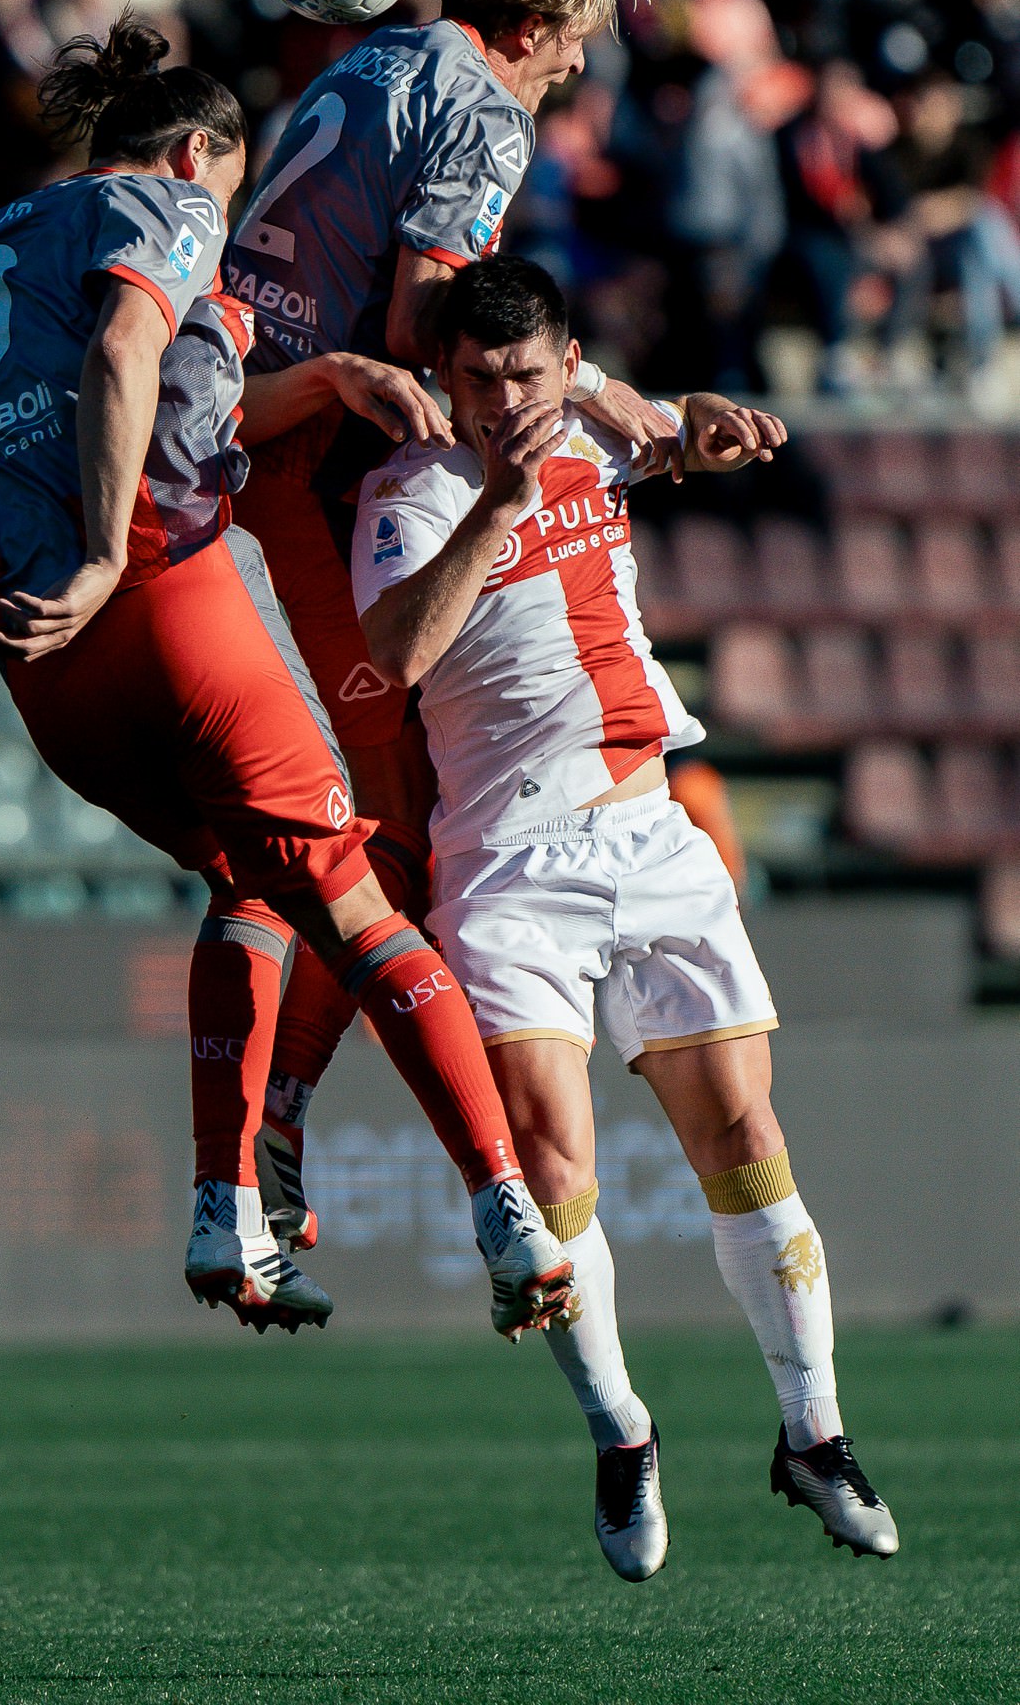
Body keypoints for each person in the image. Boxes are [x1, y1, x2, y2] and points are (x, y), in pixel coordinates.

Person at [0, 12, 575, 1341]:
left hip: (40, 656)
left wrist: (331, 375)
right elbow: (127, 351)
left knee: (254, 879)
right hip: (162, 597)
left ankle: (228, 1210)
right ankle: (509, 1215)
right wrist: (118, 554)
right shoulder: (162, 204)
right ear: (193, 156)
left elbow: (175, 395)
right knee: (359, 889)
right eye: (226, 191)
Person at [349, 257, 898, 1577]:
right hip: (506, 860)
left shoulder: (598, 429)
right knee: (551, 1176)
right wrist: (494, 504)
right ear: (443, 377)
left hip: (650, 829)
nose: (499, 401)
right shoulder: (409, 491)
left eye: (524, 377)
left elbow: (668, 437)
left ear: (566, 361)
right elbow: (395, 652)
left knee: (745, 1131)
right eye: (474, 381)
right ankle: (620, 1432)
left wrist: (700, 429)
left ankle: (810, 1433)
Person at [222, 0, 677, 1236]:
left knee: (359, 825)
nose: (578, 67)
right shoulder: (483, 109)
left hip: (247, 424)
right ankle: (264, 1135)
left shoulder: (374, 62)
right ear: (529, 25)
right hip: (290, 469)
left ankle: (270, 1129)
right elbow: (430, 322)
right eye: (572, 42)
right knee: (373, 833)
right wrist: (589, 385)